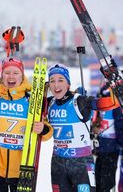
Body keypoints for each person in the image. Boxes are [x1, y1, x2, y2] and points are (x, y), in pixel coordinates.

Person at [0, 57, 53, 192]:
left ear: (22, 75)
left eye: (15, 73)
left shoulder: (32, 99)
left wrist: (43, 129)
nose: (11, 76)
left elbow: (47, 131)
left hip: (23, 165)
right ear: (2, 76)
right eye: (7, 72)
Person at [47, 63, 102, 192]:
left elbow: (103, 104)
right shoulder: (49, 103)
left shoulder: (80, 101)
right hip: (58, 163)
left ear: (68, 84)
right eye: (52, 81)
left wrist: (116, 88)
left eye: (61, 80)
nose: (56, 85)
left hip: (81, 162)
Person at [92, 85, 123, 192]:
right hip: (109, 147)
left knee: (100, 179)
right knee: (106, 181)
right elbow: (119, 125)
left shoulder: (102, 96)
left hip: (102, 146)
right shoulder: (115, 103)